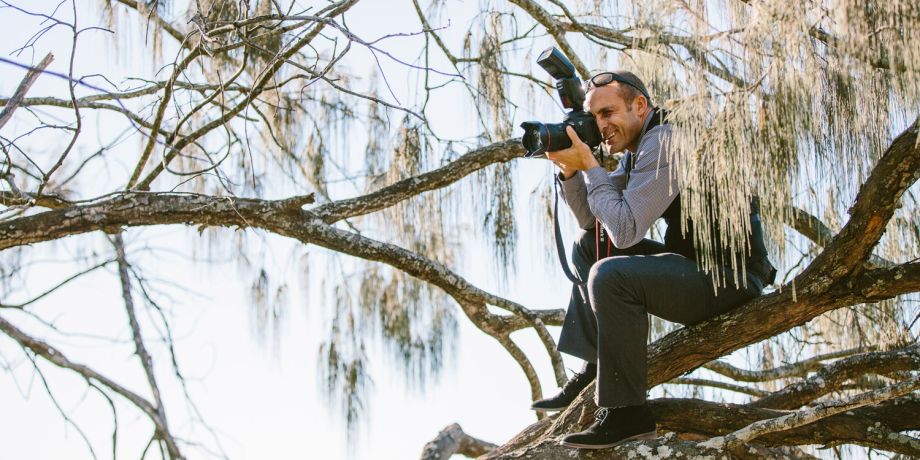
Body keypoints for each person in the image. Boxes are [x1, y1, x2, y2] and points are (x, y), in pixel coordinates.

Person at [532, 71, 775, 449]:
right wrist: (570, 172)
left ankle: (628, 415)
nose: (602, 127)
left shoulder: (667, 140)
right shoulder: (638, 151)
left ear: (640, 106)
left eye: (608, 113)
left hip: (729, 277)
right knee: (587, 247)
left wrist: (592, 167)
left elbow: (625, 229)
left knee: (610, 276)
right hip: (692, 267)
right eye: (595, 118)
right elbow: (595, 225)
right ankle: (599, 365)